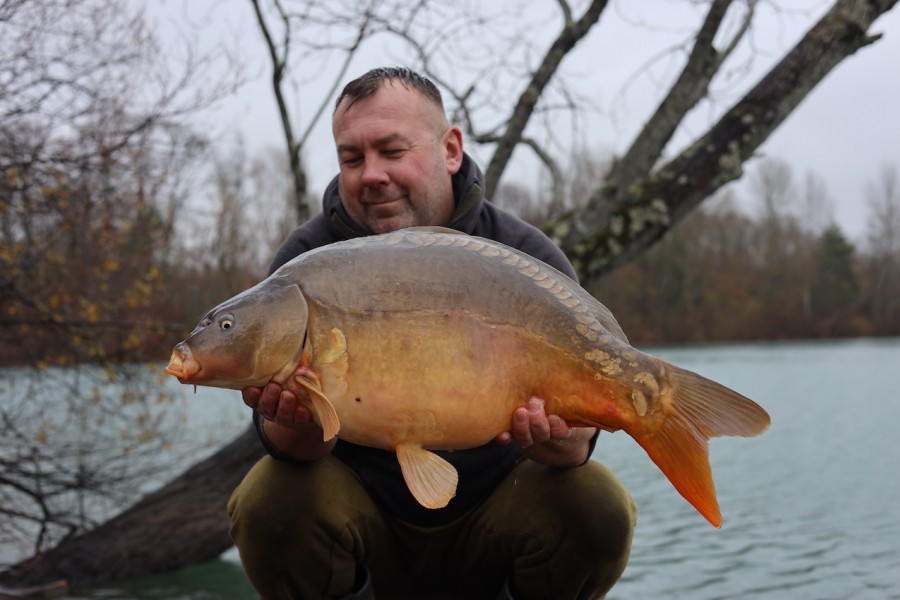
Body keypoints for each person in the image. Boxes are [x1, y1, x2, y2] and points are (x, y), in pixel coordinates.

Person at [227, 67, 636, 600]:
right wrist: (294, 416)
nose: (370, 174)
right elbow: (290, 451)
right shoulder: (307, 264)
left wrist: (558, 437)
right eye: (352, 158)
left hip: (496, 513)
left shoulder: (525, 257)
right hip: (364, 523)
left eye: (391, 151)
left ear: (450, 149)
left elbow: (576, 450)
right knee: (268, 498)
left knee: (596, 502)